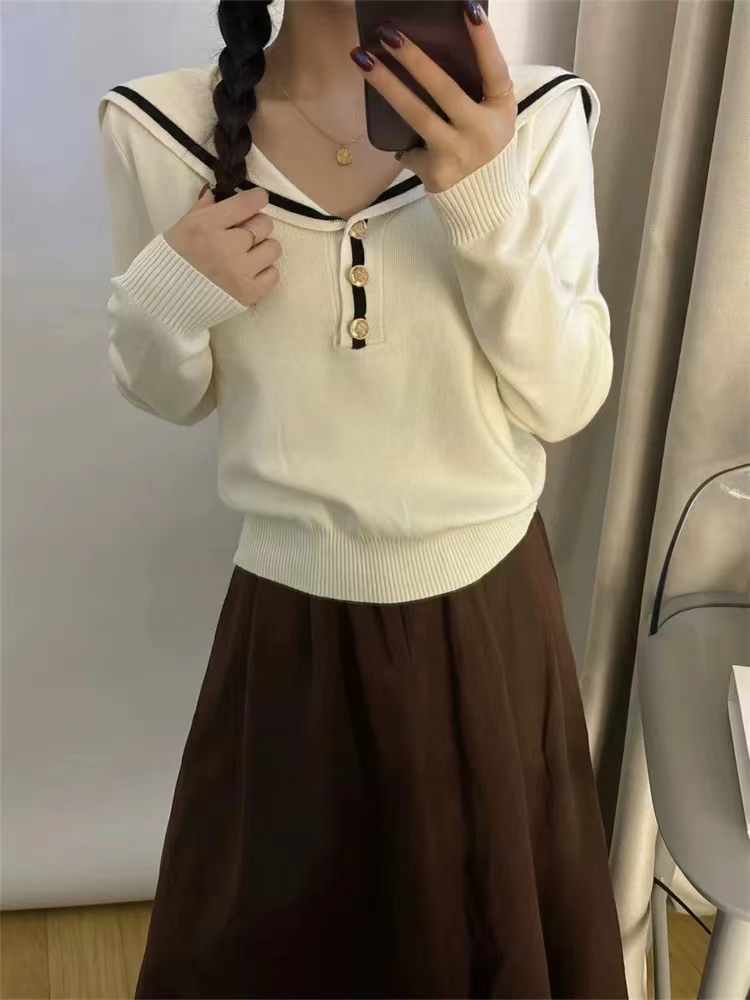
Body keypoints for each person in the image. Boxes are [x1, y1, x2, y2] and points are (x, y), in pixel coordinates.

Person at [98, 0, 629, 996]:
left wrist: (484, 201)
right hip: (287, 635)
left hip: (492, 627)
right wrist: (168, 293)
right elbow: (172, 394)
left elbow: (568, 398)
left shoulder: (537, 114)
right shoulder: (160, 127)